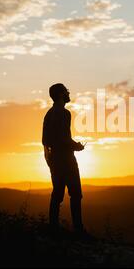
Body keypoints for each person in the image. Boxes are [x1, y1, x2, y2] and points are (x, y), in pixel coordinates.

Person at [42, 83, 87, 235]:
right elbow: (64, 138)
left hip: (54, 159)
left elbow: (45, 141)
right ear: (61, 94)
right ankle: (78, 230)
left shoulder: (48, 114)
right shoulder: (64, 113)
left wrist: (49, 159)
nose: (68, 93)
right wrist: (77, 146)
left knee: (57, 194)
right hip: (66, 158)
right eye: (66, 91)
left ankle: (53, 227)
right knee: (75, 194)